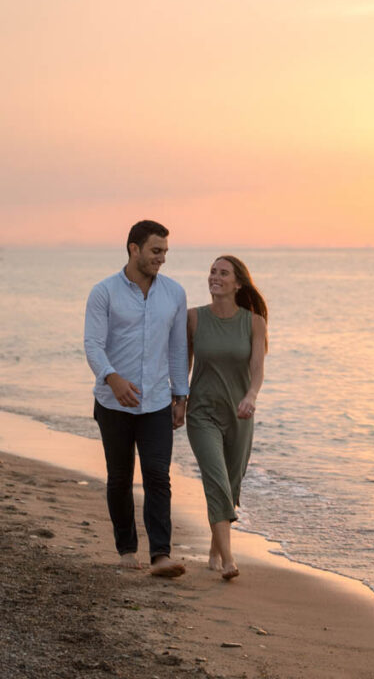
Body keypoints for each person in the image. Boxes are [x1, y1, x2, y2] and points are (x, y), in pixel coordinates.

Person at [84, 220, 189, 578]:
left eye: (164, 252)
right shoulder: (104, 292)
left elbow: (178, 348)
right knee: (119, 477)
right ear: (134, 249)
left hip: (158, 401)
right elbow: (93, 345)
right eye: (155, 251)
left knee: (158, 475)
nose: (161, 258)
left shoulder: (174, 293)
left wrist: (181, 396)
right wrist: (112, 379)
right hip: (113, 402)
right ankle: (127, 550)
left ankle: (161, 554)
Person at [186, 255, 267, 581]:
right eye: (212, 272)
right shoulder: (193, 318)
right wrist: (178, 400)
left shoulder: (254, 322)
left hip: (239, 414)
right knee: (216, 480)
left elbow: (257, 370)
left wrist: (251, 396)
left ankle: (214, 549)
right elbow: (183, 366)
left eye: (223, 273)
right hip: (202, 412)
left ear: (238, 283)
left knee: (231, 485)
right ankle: (229, 560)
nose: (214, 277)